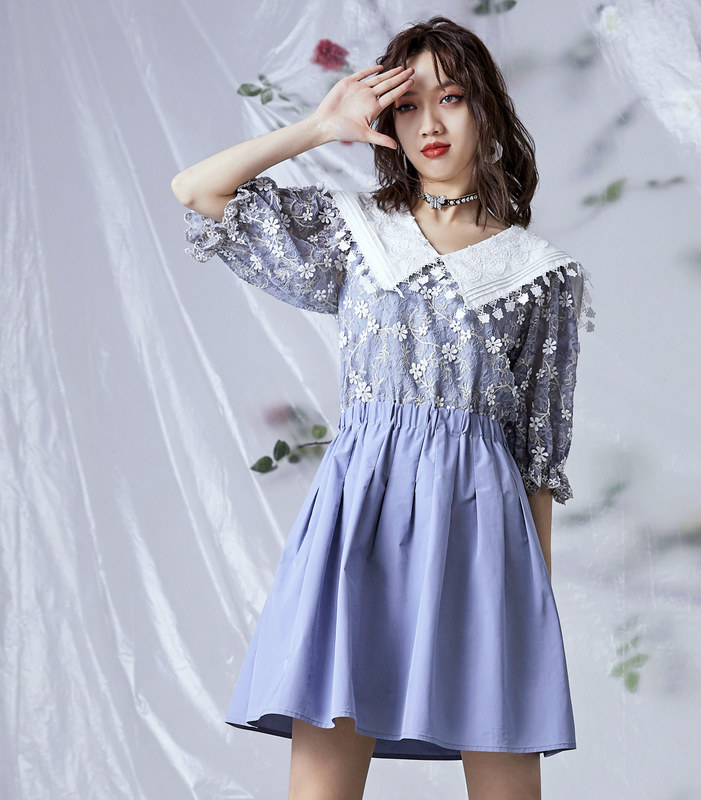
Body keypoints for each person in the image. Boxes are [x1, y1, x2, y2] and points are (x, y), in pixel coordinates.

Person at [173, 15, 594, 800]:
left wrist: (532, 607)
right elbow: (198, 191)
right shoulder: (357, 233)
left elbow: (538, 460)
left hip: (480, 539)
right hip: (357, 523)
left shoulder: (540, 274)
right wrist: (319, 126)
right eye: (407, 104)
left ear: (487, 108)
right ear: (387, 121)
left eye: (452, 98)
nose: (430, 123)